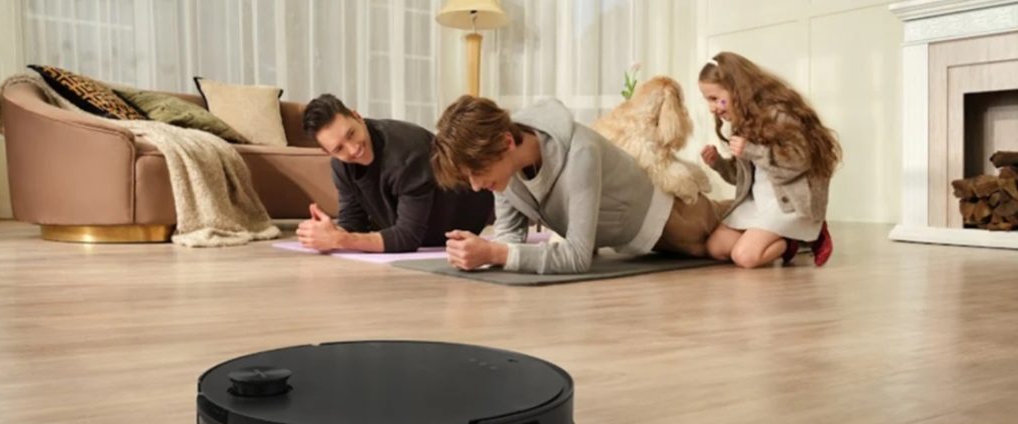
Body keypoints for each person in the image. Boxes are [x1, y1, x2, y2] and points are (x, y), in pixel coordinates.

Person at [429, 95, 725, 274]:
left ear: (506, 142)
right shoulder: (504, 172)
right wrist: (479, 251)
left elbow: (577, 257)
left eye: (477, 172)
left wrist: (494, 254)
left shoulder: (581, 152)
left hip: (676, 221)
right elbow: (509, 238)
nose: (476, 186)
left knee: (731, 235)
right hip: (634, 244)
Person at [296, 94, 492, 252]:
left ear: (357, 116)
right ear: (328, 152)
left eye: (351, 134)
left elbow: (407, 237)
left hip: (466, 222)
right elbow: (353, 222)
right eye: (339, 149)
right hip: (425, 236)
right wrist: (327, 232)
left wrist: (340, 239)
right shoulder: (341, 166)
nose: (353, 149)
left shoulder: (408, 151)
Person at [698, 51, 841, 268]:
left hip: (788, 205)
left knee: (745, 257)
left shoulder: (780, 115)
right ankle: (770, 237)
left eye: (716, 99)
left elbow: (800, 161)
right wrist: (718, 163)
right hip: (759, 203)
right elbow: (741, 178)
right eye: (708, 100)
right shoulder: (743, 122)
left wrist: (751, 150)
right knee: (715, 248)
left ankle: (792, 241)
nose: (712, 107)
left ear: (737, 90)